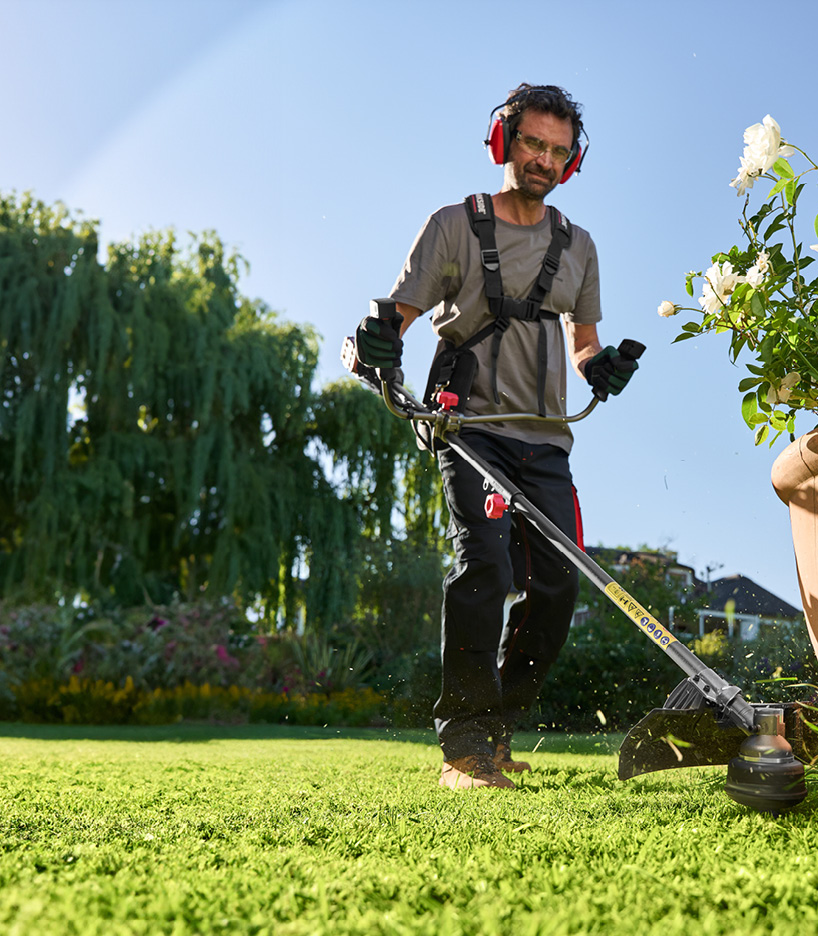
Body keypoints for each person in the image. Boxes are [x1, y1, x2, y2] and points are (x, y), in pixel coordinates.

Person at [355, 83, 638, 790]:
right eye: (533, 143)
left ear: (571, 162)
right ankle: (463, 749)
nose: (543, 158)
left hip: (548, 442)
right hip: (471, 426)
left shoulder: (580, 246)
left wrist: (599, 368)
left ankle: (500, 723)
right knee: (486, 568)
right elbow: (397, 317)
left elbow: (583, 341)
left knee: (558, 590)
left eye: (557, 150)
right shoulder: (453, 225)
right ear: (503, 142)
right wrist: (372, 347)